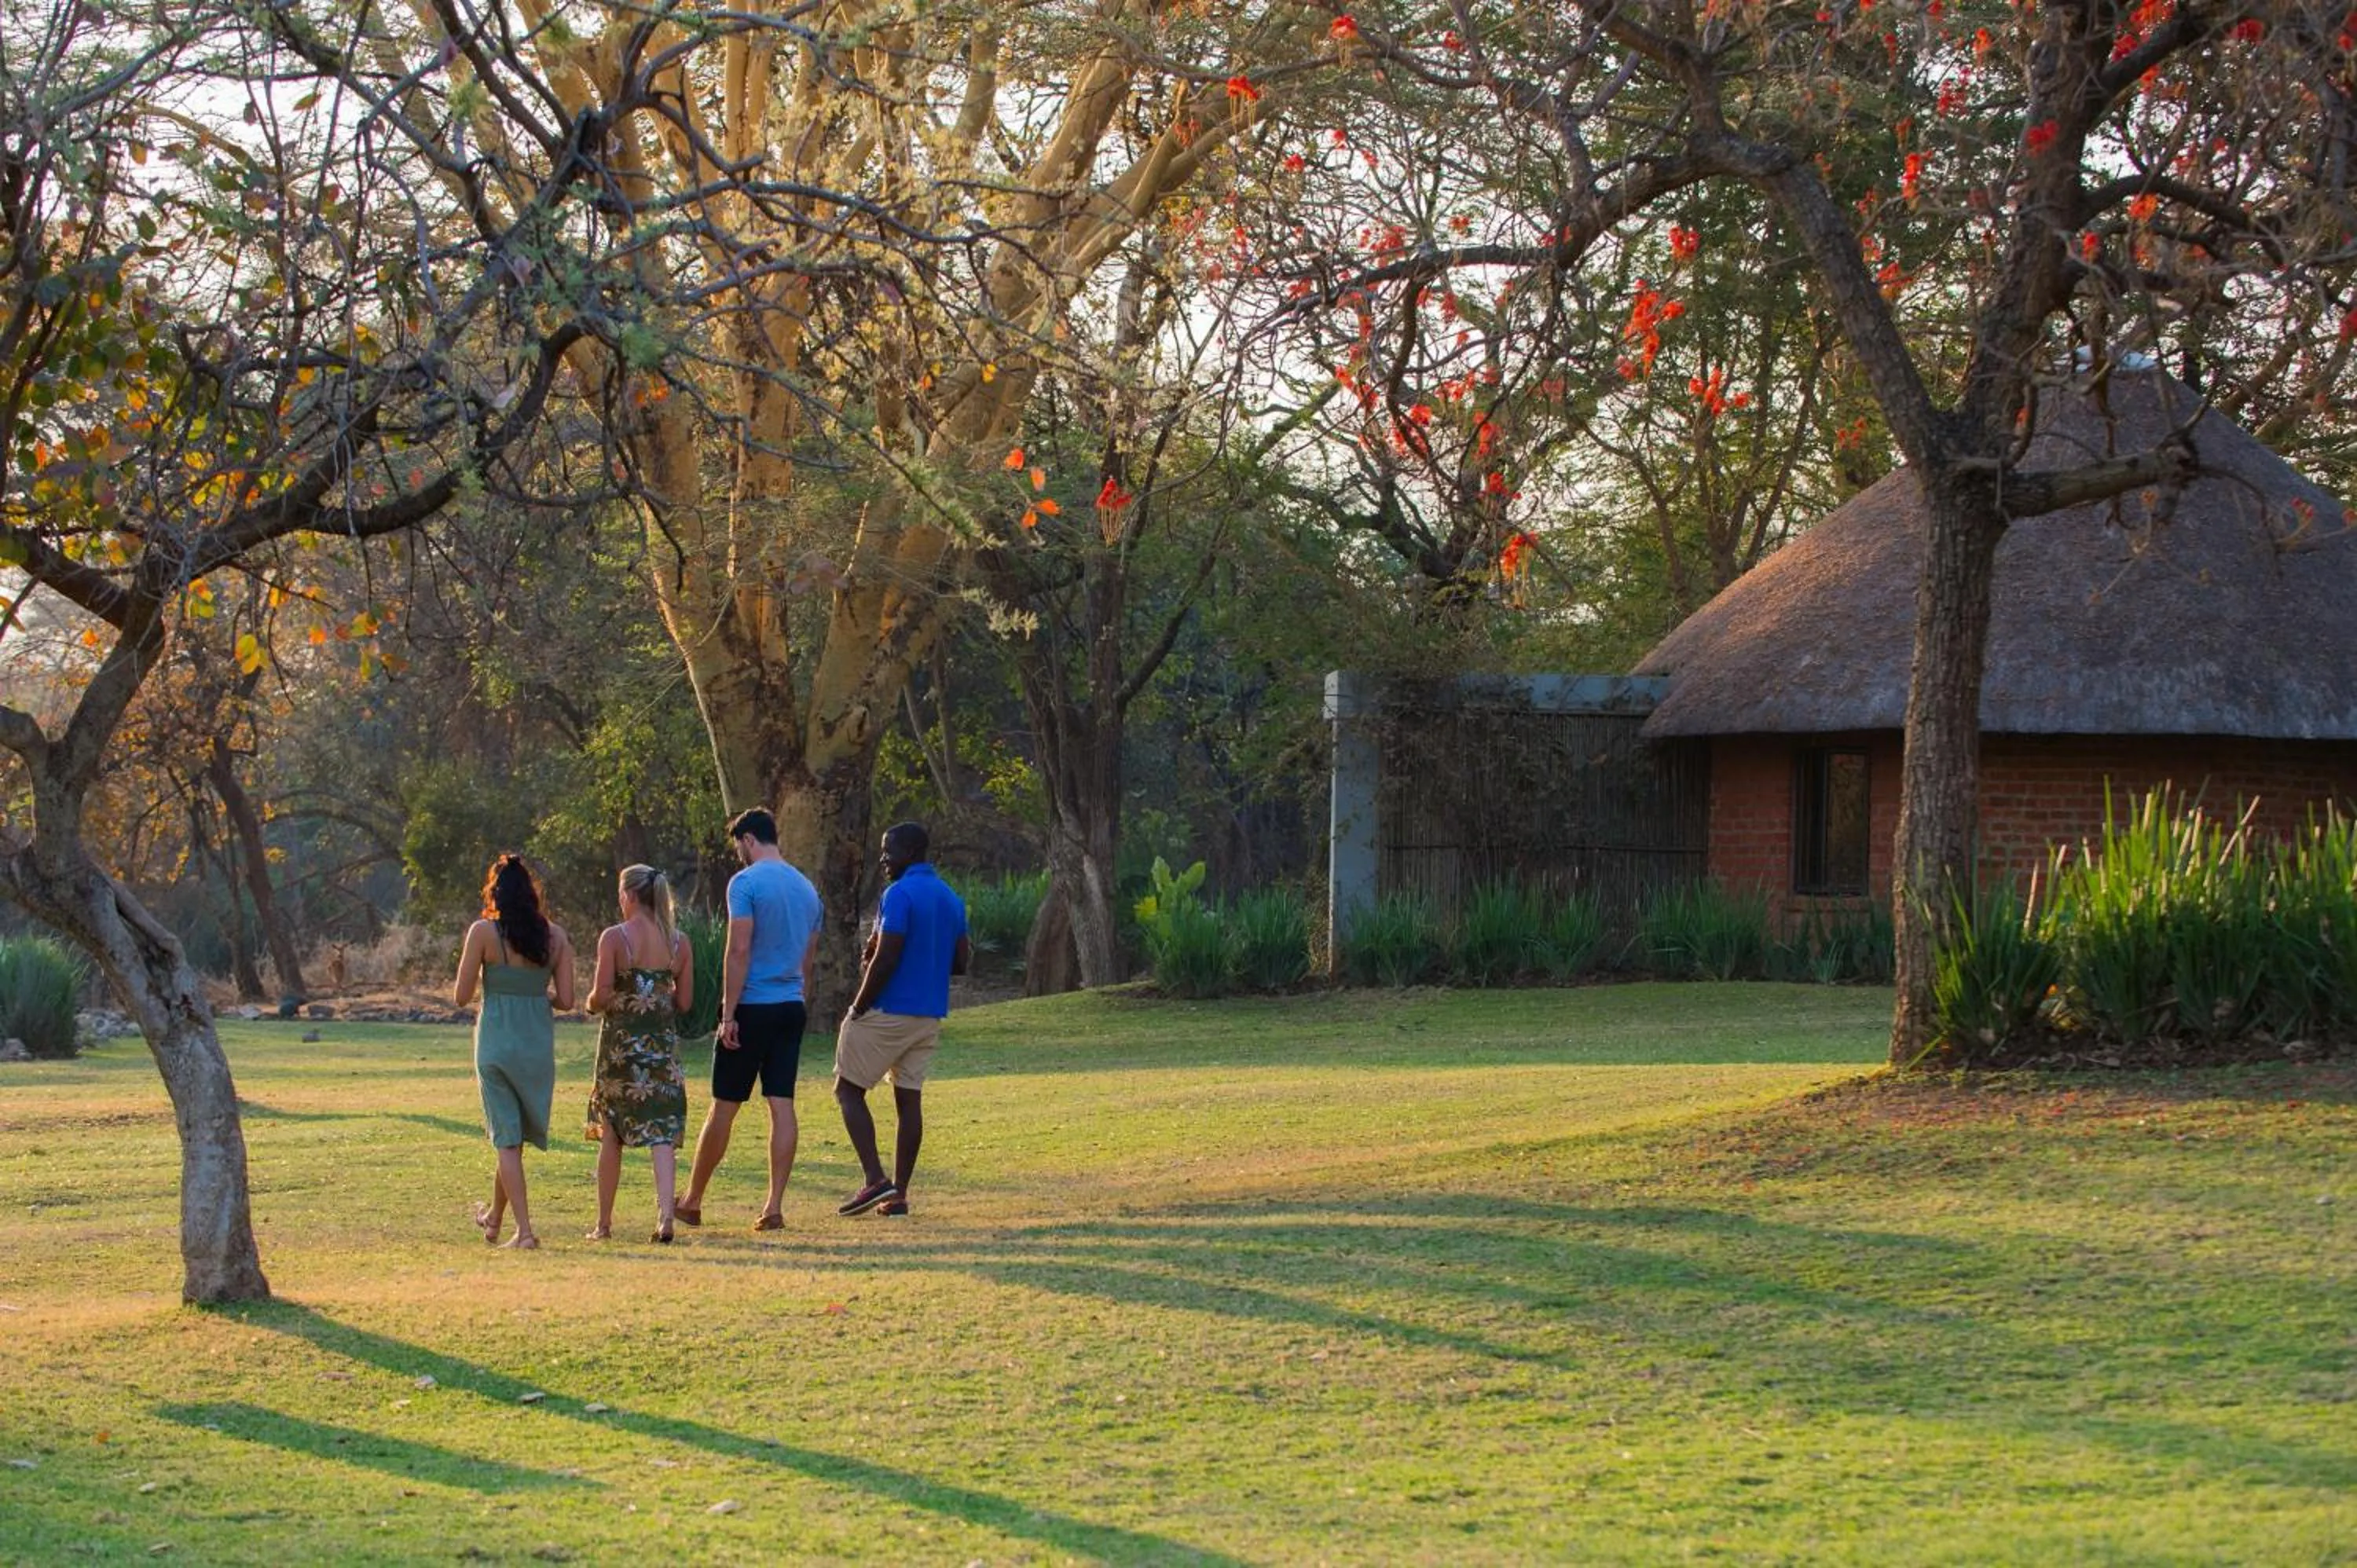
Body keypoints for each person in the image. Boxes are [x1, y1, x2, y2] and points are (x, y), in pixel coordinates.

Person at [677, 808, 822, 1232]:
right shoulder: (808, 889)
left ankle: (692, 1200)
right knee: (782, 1104)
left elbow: (739, 949)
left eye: (738, 845)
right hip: (791, 1005)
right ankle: (773, 1206)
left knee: (724, 1105)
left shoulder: (745, 883)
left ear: (748, 840)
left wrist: (728, 1013)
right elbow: (808, 961)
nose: (738, 853)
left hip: (753, 1005)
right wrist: (798, 1001)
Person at [833, 821, 968, 1218]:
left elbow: (886, 957)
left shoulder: (899, 894)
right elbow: (960, 962)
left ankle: (875, 1179)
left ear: (909, 853)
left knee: (847, 1090)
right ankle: (899, 1195)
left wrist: (858, 1007)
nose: (883, 859)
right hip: (928, 1016)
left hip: (889, 1011)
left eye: (888, 851)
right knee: (909, 1100)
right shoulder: (950, 897)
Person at [453, 855, 577, 1250]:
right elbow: (568, 1000)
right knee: (513, 1138)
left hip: (495, 1044)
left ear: (495, 894)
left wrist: (497, 982)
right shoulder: (556, 937)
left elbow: (461, 996)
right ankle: (494, 1219)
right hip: (535, 1046)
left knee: (507, 1140)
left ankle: (524, 1232)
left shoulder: (482, 932)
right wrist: (535, 993)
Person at [585, 864, 693, 1244]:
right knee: (661, 1133)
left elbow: (601, 995)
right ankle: (666, 1218)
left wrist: (592, 1002)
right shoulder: (679, 942)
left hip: (621, 1050)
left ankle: (604, 1224)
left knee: (612, 1132)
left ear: (629, 896)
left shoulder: (615, 938)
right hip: (661, 1049)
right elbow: (685, 1002)